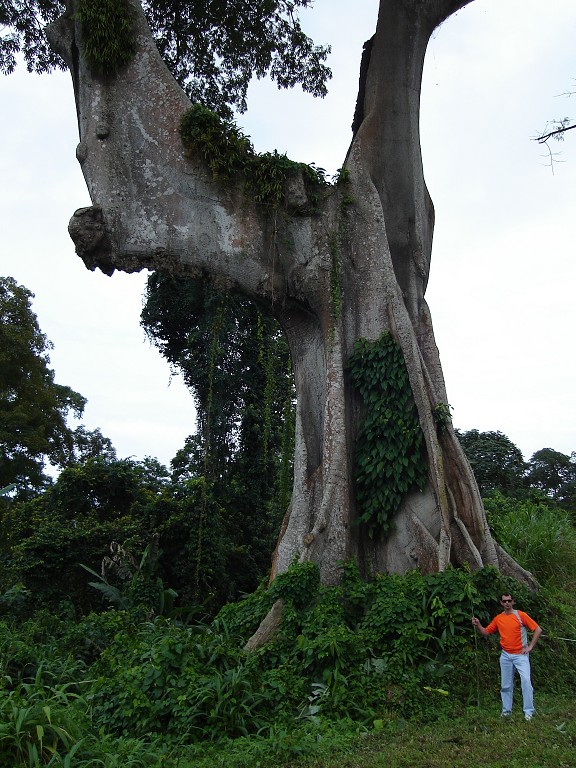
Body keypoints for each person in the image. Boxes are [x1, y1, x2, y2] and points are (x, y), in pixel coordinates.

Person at [472, 593, 542, 720]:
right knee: (506, 685)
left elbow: (537, 629)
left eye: (509, 601)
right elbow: (486, 632)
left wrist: (530, 646)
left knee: (526, 681)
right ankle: (506, 712)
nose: (507, 603)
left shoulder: (521, 615)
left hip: (521, 655)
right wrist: (478, 625)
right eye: (504, 601)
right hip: (505, 655)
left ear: (513, 602)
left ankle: (529, 712)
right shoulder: (499, 618)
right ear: (501, 603)